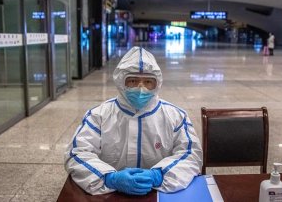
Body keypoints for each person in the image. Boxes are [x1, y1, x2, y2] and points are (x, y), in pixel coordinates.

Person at [64, 46, 203, 195]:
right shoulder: (98, 116)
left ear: (157, 84)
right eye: (133, 81)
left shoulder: (176, 116)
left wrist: (159, 175)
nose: (141, 88)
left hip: (159, 193)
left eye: (148, 82)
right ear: (121, 82)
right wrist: (110, 178)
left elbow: (191, 154)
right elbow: (76, 154)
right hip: (111, 193)